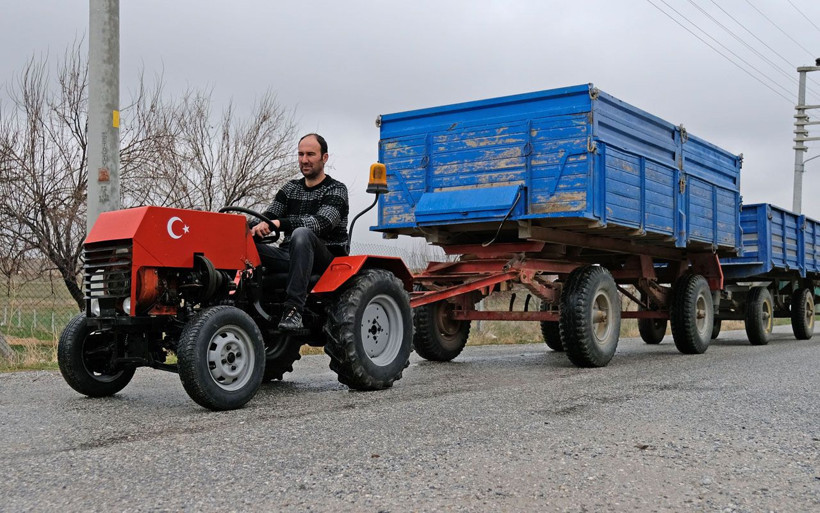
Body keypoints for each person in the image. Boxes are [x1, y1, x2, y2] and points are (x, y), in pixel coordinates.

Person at [251, 133, 349, 330]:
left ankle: (294, 309)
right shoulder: (290, 189)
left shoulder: (336, 190)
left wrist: (278, 223)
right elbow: (269, 214)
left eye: (310, 154)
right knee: (244, 241)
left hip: (326, 258)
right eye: (301, 154)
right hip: (291, 255)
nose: (304, 160)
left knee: (302, 233)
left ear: (324, 158)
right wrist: (253, 225)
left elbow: (322, 223)